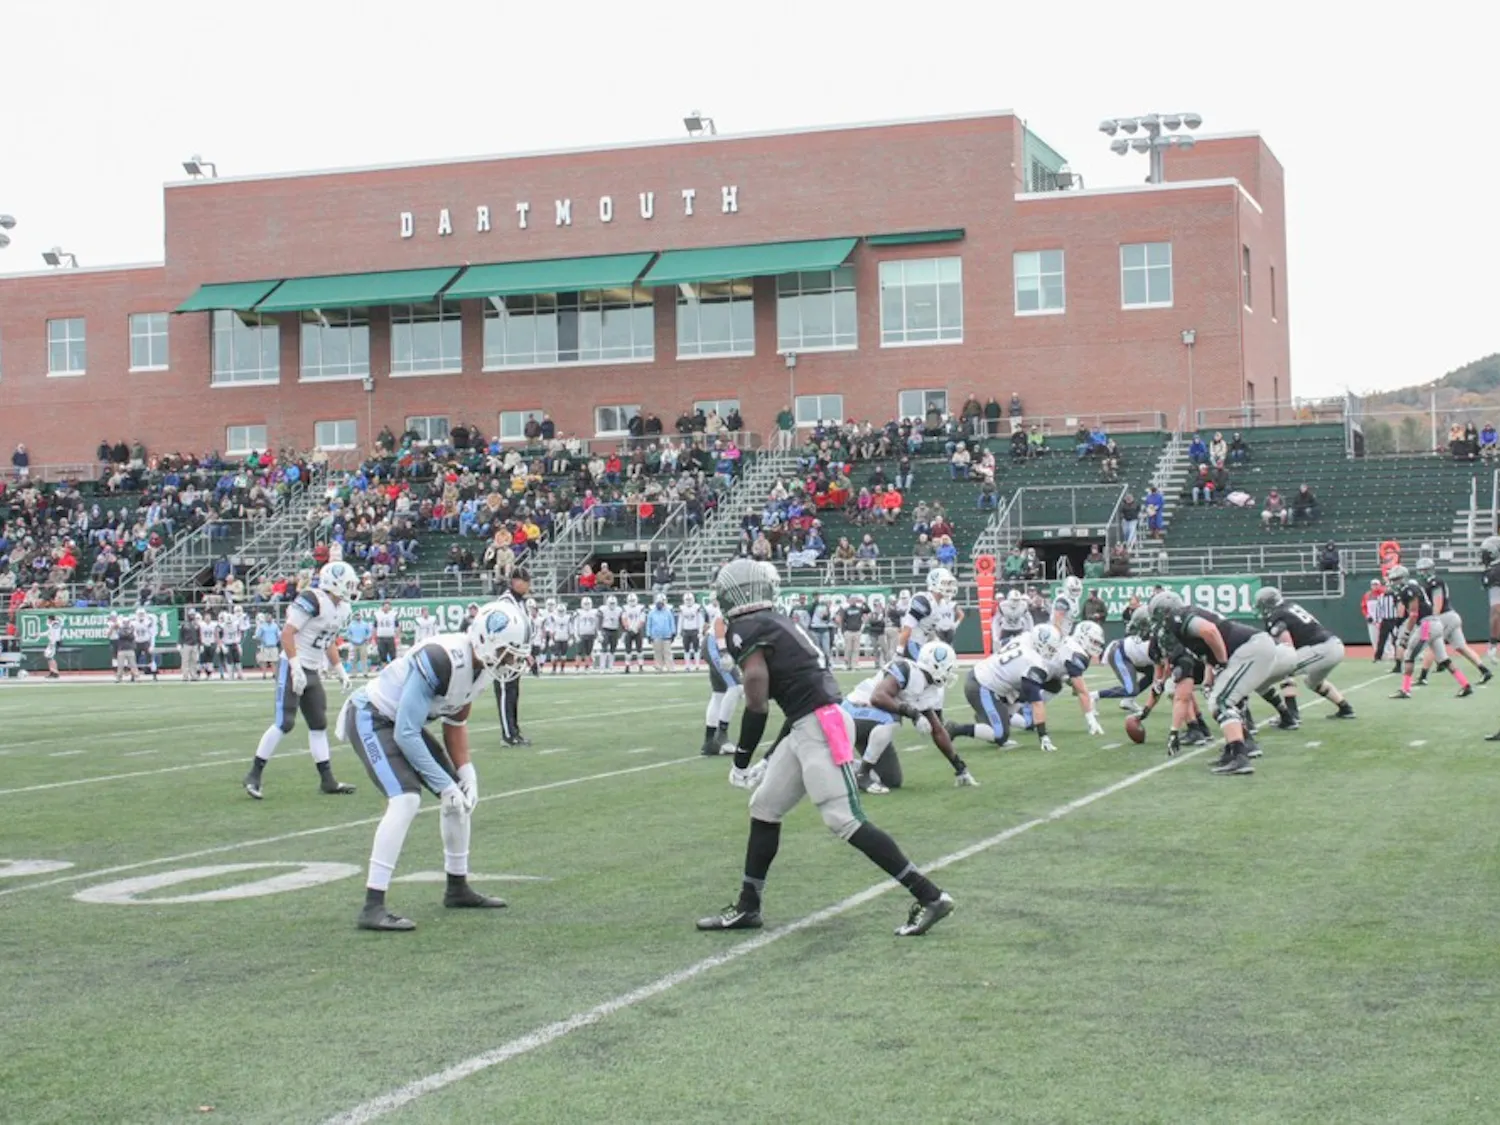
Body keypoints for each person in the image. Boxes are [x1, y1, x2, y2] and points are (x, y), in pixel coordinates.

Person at [695, 559, 954, 938]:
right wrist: (770, 756)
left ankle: (930, 896)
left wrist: (741, 759)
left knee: (843, 819)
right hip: (809, 722)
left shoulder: (747, 627)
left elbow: (757, 700)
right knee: (764, 807)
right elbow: (799, 697)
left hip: (820, 725)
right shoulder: (778, 622)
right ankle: (748, 906)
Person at [339, 600, 532, 931]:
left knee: (459, 799)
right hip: (372, 715)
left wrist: (465, 773)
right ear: (485, 640)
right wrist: (444, 785)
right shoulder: (442, 658)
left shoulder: (481, 668)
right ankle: (373, 905)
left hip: (403, 724)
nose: (512, 661)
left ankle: (457, 887)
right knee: (406, 799)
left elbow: (455, 723)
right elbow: (405, 732)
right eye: (507, 652)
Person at [242, 562, 359, 800]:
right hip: (292, 664)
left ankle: (327, 780)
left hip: (312, 669)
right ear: (334, 582)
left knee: (318, 724)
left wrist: (340, 670)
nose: (351, 588)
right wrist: (295, 668)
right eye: (347, 583)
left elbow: (328, 641)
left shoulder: (343, 608)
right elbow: (287, 634)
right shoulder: (312, 599)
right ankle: (253, 775)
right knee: (284, 722)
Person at [1149, 590, 1297, 774]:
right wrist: (1212, 675)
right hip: (1251, 647)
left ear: (1165, 611)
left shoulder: (1179, 617)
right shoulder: (1182, 619)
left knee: (1221, 702)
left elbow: (1209, 630)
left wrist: (1222, 662)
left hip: (1250, 648)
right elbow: (1208, 648)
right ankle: (1241, 746)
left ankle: (1239, 757)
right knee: (1226, 699)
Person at [844, 640, 975, 793]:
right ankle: (862, 774)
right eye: (948, 668)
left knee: (892, 780)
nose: (950, 672)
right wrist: (913, 713)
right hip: (853, 713)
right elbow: (878, 697)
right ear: (936, 665)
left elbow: (937, 730)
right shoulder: (906, 669)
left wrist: (960, 767)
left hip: (873, 723)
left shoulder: (929, 688)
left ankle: (851, 767)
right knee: (893, 717)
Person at [1255, 587, 1355, 721]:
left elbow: (1287, 647)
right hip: (1331, 644)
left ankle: (1292, 714)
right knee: (1312, 682)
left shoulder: (1277, 616)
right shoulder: (1290, 606)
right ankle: (1345, 708)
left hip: (1322, 649)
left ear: (1268, 603)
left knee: (1284, 667)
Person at [493, 567, 533, 744]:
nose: (528, 586)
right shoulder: (505, 601)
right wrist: (506, 651)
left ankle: (514, 731)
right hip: (504, 654)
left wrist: (525, 653)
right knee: (505, 692)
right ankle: (508, 735)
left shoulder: (520, 602)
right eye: (525, 582)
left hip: (516, 653)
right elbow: (499, 627)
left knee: (512, 693)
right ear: (516, 582)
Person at [701, 594, 742, 756]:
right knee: (736, 688)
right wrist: (724, 651)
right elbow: (720, 622)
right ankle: (721, 736)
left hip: (713, 644)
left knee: (719, 694)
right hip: (715, 645)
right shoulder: (736, 606)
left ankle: (710, 742)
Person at [897, 567, 959, 659]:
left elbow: (932, 629)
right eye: (945, 583)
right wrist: (899, 651)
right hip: (911, 643)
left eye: (950, 584)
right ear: (934, 584)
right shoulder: (923, 600)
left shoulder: (942, 604)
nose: (949, 587)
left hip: (924, 644)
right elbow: (907, 627)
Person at [647, 593, 677, 672]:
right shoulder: (651, 613)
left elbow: (672, 622)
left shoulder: (668, 612)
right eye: (658, 603)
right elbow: (649, 624)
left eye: (661, 603)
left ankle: (670, 668)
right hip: (656, 636)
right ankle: (659, 667)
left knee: (668, 652)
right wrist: (648, 635)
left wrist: (673, 633)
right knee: (657, 653)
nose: (659, 605)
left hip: (667, 635)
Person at [678, 592, 706, 674]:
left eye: (690, 599)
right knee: (686, 649)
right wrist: (678, 632)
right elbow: (680, 621)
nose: (688, 601)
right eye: (687, 600)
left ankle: (697, 665)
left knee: (696, 649)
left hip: (695, 630)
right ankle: (687, 665)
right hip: (686, 630)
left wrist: (700, 631)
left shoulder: (697, 607)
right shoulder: (682, 608)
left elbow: (700, 620)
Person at [256, 612, 284, 679]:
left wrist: (276, 641)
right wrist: (263, 641)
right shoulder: (262, 626)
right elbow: (258, 636)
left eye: (269, 617)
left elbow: (279, 635)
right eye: (267, 617)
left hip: (273, 646)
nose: (268, 618)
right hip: (265, 646)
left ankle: (274, 674)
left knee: (274, 661)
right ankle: (264, 675)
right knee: (264, 661)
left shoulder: (275, 626)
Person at [373, 600, 399, 668]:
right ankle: (384, 669)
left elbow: (397, 626)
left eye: (388, 606)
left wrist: (398, 637)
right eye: (385, 606)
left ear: (390, 607)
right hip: (381, 638)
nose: (387, 608)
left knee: (393, 655)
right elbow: (375, 626)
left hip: (390, 637)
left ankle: (394, 669)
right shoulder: (378, 614)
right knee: (382, 656)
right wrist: (373, 637)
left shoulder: (393, 614)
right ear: (382, 607)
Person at [43, 614, 62, 679]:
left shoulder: (55, 624)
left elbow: (55, 635)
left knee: (50, 657)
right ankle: (52, 672)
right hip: (52, 642)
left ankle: (55, 673)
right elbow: (48, 632)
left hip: (53, 643)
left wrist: (52, 643)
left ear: (50, 619)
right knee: (48, 657)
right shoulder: (52, 625)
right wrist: (39, 634)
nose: (47, 621)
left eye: (48, 619)